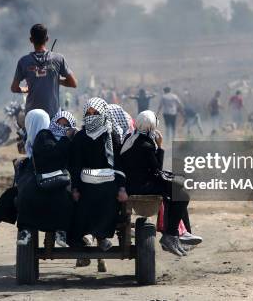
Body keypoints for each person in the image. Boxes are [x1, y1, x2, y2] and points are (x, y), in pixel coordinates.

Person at [120, 111, 202, 256]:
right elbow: (157, 169)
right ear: (152, 126)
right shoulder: (146, 144)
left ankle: (181, 233)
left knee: (175, 190)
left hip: (131, 184)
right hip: (142, 186)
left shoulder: (130, 139)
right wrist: (160, 146)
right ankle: (172, 234)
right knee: (182, 195)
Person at [70, 97, 127, 252]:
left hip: (108, 181)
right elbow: (75, 165)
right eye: (89, 113)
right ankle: (90, 234)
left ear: (103, 114)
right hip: (85, 181)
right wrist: (75, 188)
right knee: (85, 197)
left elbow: (118, 163)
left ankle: (100, 236)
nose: (92, 116)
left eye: (95, 113)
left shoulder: (111, 136)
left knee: (109, 195)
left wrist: (122, 188)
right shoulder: (80, 137)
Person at [16, 110, 77, 248]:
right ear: (54, 122)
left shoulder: (73, 139)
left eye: (67, 124)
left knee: (65, 195)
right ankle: (25, 231)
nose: (63, 127)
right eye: (60, 123)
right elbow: (51, 157)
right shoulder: (44, 135)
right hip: (43, 176)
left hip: (63, 177)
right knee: (27, 193)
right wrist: (65, 140)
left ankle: (61, 232)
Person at [11, 24, 77, 117]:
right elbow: (73, 83)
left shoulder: (24, 61)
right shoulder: (58, 59)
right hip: (53, 116)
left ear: (31, 40)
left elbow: (14, 88)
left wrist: (25, 89)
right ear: (47, 39)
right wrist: (57, 80)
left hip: (32, 116)